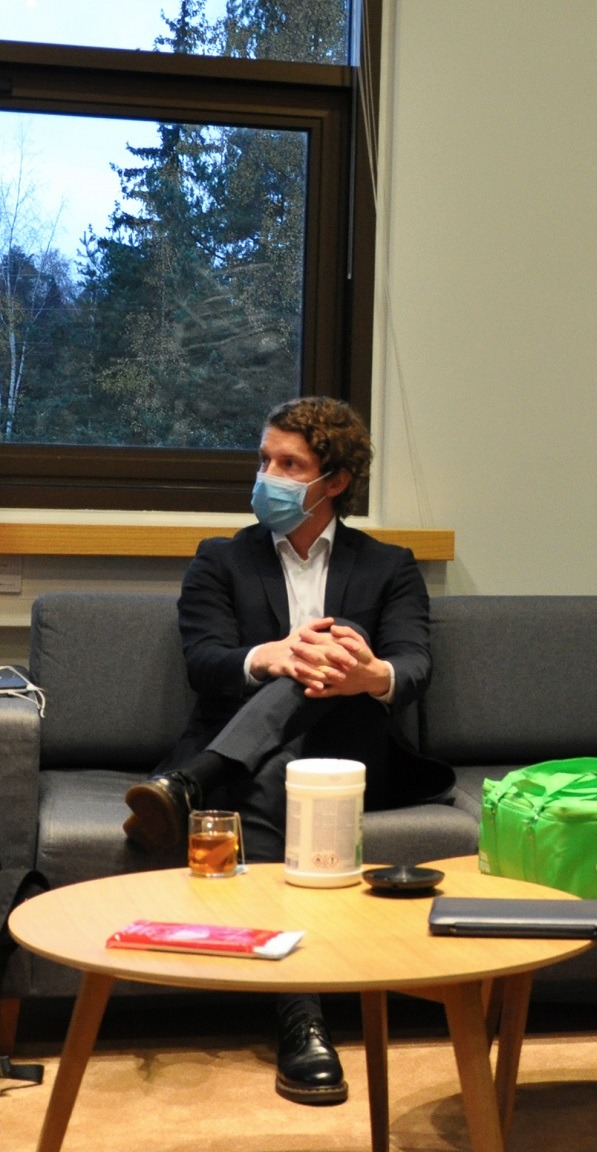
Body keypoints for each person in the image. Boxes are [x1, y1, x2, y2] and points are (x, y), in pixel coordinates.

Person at [123, 397, 454, 1106]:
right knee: (283, 752)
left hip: (354, 752)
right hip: (266, 759)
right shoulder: (220, 559)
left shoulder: (389, 566)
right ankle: (302, 1016)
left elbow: (415, 665)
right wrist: (270, 656)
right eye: (264, 459)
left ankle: (193, 781)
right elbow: (204, 662)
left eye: (289, 464)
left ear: (335, 481)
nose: (267, 475)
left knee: (327, 658)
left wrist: (370, 674)